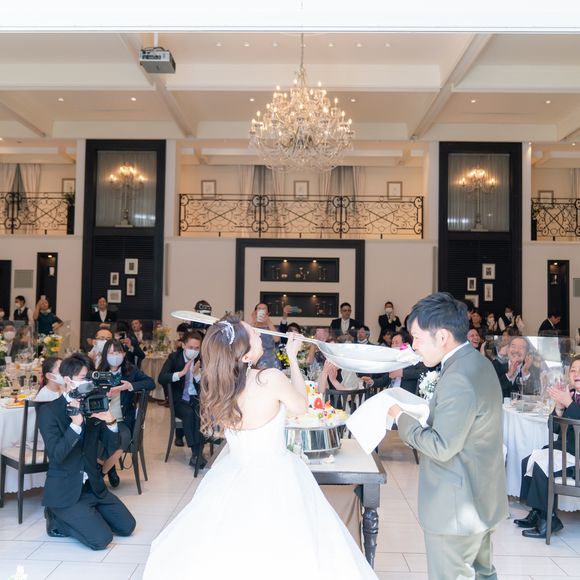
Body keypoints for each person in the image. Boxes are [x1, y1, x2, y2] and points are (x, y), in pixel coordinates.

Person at [143, 316, 377, 580]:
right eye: (253, 333)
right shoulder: (270, 378)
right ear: (244, 355)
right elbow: (301, 407)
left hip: (232, 471)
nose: (258, 334)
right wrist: (293, 359)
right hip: (275, 473)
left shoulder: (221, 385)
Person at [387, 292, 507, 580]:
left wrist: (400, 417)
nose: (414, 346)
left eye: (417, 337)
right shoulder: (478, 363)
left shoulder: (458, 377)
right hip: (482, 497)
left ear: (442, 336)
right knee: (483, 574)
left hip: (456, 507)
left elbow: (442, 447)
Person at [38, 353, 136, 550]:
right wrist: (75, 425)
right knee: (101, 540)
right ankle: (56, 518)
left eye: (89, 378)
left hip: (93, 486)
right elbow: (57, 455)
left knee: (127, 527)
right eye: (83, 378)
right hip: (66, 491)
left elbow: (112, 446)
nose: (88, 383)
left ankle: (88, 516)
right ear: (68, 380)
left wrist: (110, 421)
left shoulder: (93, 404)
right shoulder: (49, 411)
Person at [515, 356, 580, 538]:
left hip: (577, 456)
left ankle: (548, 521)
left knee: (542, 466)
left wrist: (568, 403)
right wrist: (559, 408)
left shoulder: (570, 399)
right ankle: (537, 513)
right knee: (528, 461)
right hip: (565, 451)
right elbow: (554, 429)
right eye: (573, 370)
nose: (576, 374)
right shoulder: (570, 395)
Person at [96, 339, 155, 487]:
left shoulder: (131, 371)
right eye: (111, 353)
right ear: (105, 355)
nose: (115, 356)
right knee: (98, 436)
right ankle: (111, 469)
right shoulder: (99, 372)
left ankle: (100, 474)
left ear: (123, 354)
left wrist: (129, 386)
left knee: (123, 437)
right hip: (102, 419)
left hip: (122, 419)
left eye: (118, 352)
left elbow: (150, 383)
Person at [158, 331, 205, 468]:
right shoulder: (174, 357)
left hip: (195, 398)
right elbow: (162, 378)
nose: (194, 351)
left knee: (200, 413)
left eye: (197, 348)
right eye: (191, 347)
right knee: (189, 413)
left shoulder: (202, 359)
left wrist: (197, 375)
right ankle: (196, 453)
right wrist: (181, 373)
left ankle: (197, 454)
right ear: (183, 345)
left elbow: (208, 386)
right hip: (179, 400)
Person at [251, 303, 281, 369]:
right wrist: (253, 322)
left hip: (271, 359)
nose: (261, 310)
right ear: (256, 312)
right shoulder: (252, 327)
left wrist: (268, 321)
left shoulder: (271, 327)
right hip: (256, 359)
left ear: (268, 313)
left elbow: (277, 339)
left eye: (264, 309)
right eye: (259, 309)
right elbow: (249, 340)